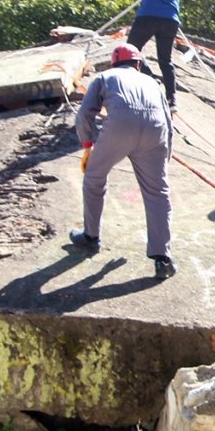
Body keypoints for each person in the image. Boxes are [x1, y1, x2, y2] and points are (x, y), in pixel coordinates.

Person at [71, 44, 176, 279]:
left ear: (114, 63)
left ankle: (90, 237)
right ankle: (163, 259)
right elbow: (169, 122)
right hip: (154, 132)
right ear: (138, 64)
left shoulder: (105, 77)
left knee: (94, 178)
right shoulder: (153, 83)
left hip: (118, 129)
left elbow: (85, 114)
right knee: (158, 193)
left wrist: (88, 145)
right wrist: (166, 153)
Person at [129, 0, 183, 110]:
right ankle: (171, 100)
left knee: (131, 51)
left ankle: (151, 81)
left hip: (148, 15)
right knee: (165, 60)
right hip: (171, 18)